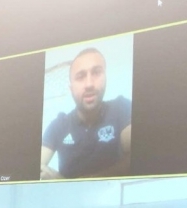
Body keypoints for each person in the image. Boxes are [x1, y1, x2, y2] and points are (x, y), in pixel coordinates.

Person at [41, 48, 132, 180]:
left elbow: (134, 158)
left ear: (105, 78)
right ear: (71, 88)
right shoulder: (58, 125)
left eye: (96, 72)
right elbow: (36, 166)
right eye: (80, 76)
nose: (89, 84)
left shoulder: (121, 107)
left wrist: (66, 183)